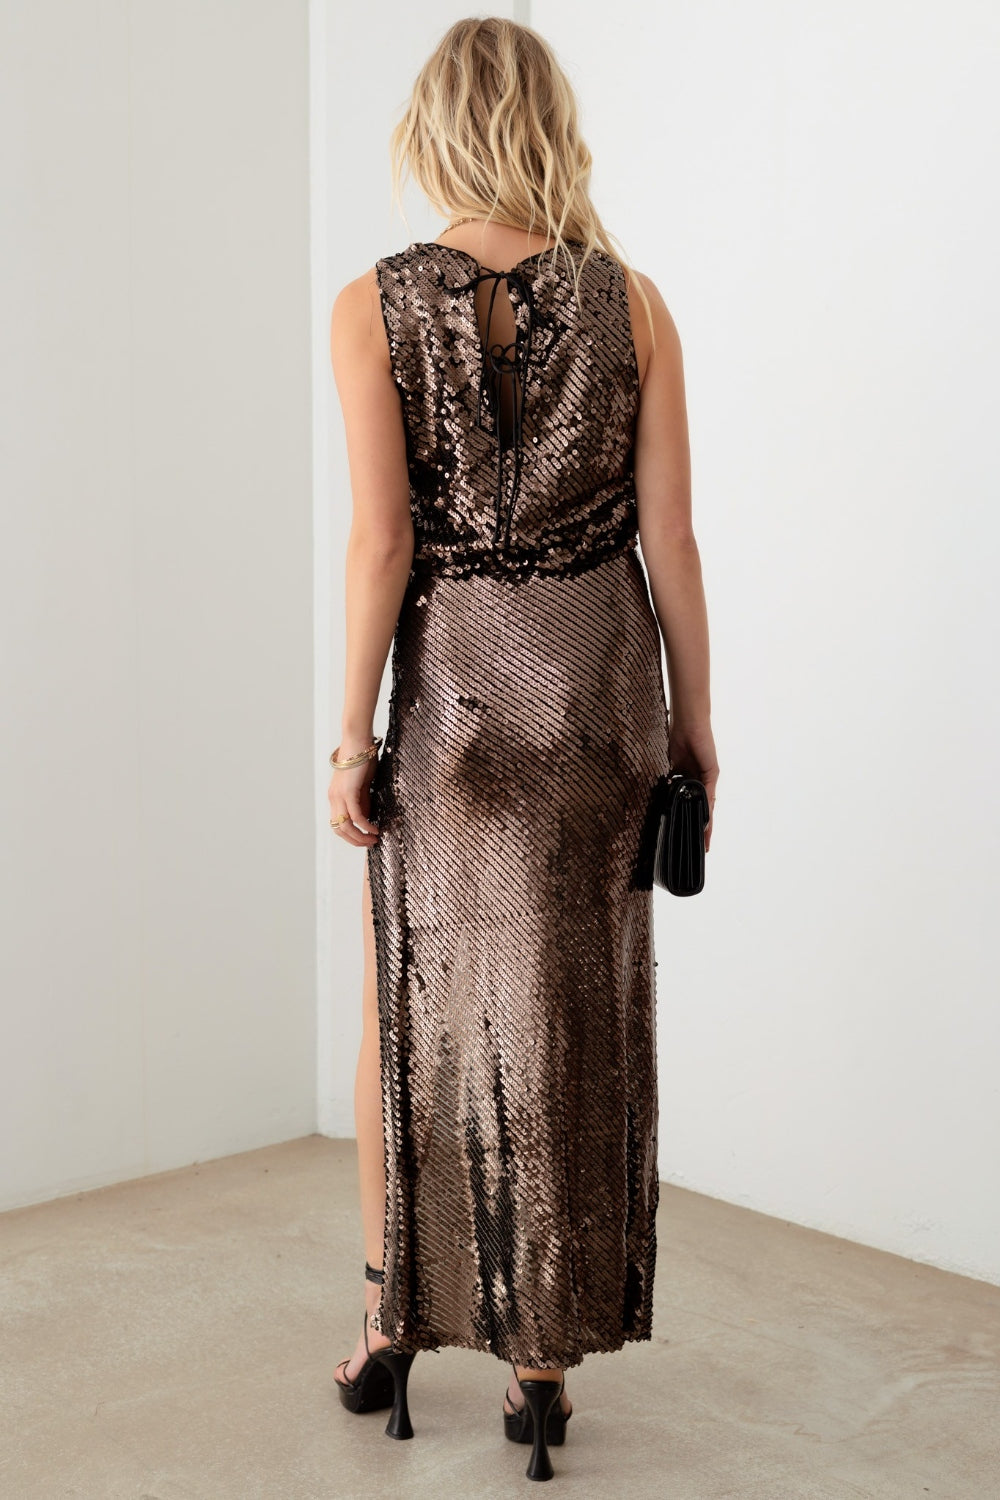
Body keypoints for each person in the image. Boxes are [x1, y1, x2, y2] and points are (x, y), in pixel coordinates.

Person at [327, 15, 718, 1482]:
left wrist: (347, 734)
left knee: (411, 1003)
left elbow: (382, 543)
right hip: (603, 694)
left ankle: (388, 1322)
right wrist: (697, 721)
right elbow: (669, 537)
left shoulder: (372, 306)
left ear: (435, 131)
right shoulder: (638, 307)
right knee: (571, 1010)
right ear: (551, 125)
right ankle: (541, 1373)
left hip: (454, 710)